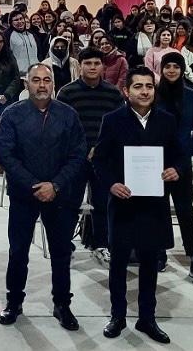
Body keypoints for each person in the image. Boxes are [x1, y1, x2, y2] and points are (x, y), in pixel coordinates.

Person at [90, 67, 184, 343]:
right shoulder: (113, 120)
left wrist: (175, 169)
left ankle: (147, 318)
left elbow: (179, 155)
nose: (144, 91)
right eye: (138, 87)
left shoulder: (166, 121)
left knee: (149, 261)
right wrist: (111, 184)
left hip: (153, 203)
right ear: (126, 91)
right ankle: (117, 315)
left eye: (149, 87)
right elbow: (99, 160)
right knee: (118, 262)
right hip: (123, 202)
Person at [0, 63, 88, 330]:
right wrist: (35, 185)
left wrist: (55, 185)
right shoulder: (12, 114)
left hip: (61, 195)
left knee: (60, 253)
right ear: (27, 84)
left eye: (47, 80)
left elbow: (77, 154)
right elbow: (7, 156)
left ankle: (62, 304)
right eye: (36, 80)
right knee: (18, 252)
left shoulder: (68, 115)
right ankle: (14, 302)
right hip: (24, 196)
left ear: (54, 83)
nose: (42, 85)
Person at [57, 48, 125, 264]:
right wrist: (80, 150)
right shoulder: (67, 93)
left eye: (97, 63)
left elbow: (118, 127)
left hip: (103, 159)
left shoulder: (113, 94)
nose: (93, 67)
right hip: (75, 158)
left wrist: (101, 148)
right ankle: (65, 244)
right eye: (88, 63)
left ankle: (101, 244)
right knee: (70, 203)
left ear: (103, 66)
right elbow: (62, 127)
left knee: (102, 203)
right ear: (80, 66)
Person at [155, 52, 193, 283]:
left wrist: (191, 150)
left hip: (182, 162)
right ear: (162, 69)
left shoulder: (191, 97)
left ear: (182, 69)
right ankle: (160, 253)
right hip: (157, 162)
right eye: (167, 66)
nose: (172, 70)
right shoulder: (154, 95)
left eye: (176, 66)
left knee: (185, 211)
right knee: (158, 210)